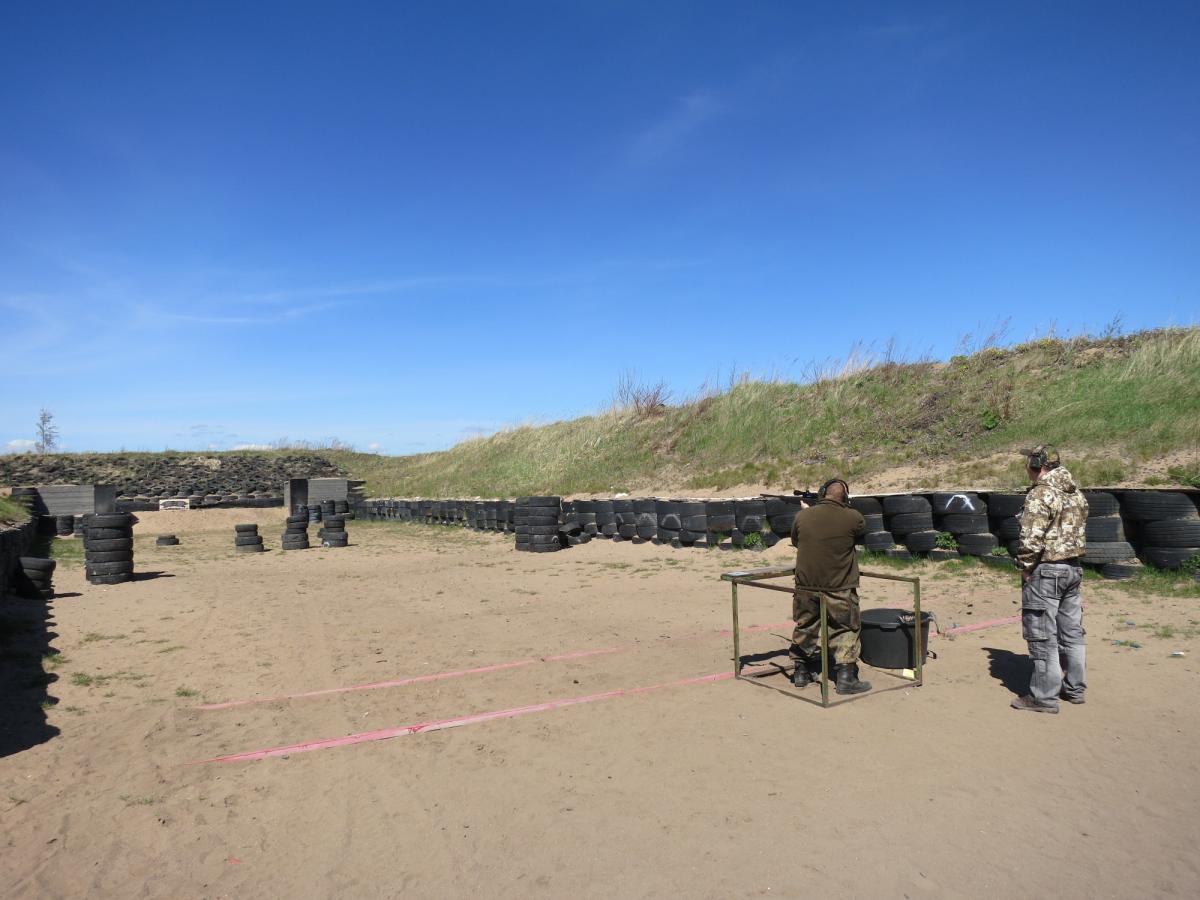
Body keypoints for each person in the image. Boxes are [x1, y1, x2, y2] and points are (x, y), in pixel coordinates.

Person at [1011, 444, 1089, 713]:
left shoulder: (1040, 494)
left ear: (1037, 465)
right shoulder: (1075, 493)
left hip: (1046, 571)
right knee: (1072, 633)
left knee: (1042, 635)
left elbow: (1031, 539)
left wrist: (1025, 567)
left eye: (1029, 462)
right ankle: (1075, 688)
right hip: (1073, 569)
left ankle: (1044, 697)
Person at [789, 479, 869, 694]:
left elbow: (796, 541)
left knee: (805, 626)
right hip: (839, 585)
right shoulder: (854, 517)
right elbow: (860, 536)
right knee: (845, 629)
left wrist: (808, 512)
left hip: (806, 586)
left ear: (823, 493)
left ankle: (801, 673)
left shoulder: (802, 516)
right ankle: (846, 678)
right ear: (846, 497)